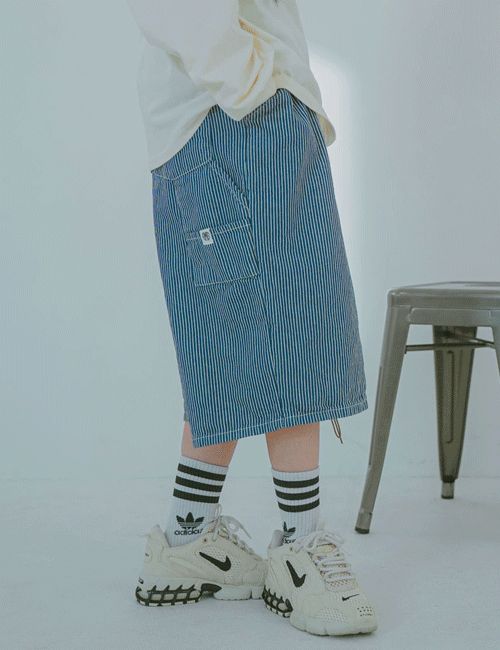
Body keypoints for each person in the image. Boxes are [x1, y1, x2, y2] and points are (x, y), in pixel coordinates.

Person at [127, 0, 378, 636]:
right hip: (234, 116)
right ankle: (299, 546)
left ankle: (187, 537)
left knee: (228, 338)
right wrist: (253, 81)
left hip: (228, 111)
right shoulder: (243, 94)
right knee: (288, 330)